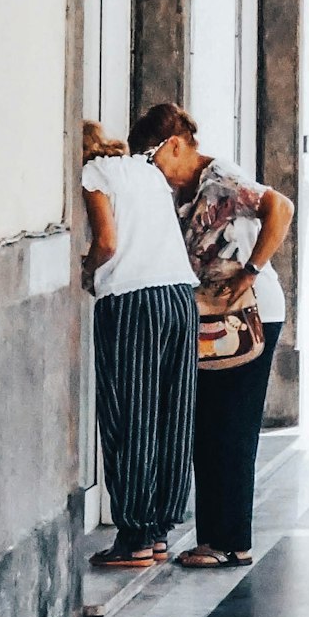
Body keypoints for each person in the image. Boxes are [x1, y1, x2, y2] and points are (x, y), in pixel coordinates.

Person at [127, 103, 294, 568]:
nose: (155, 172)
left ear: (176, 146)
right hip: (212, 316)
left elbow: (280, 206)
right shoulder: (182, 190)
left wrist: (252, 270)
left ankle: (231, 542)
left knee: (231, 428)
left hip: (249, 314)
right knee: (207, 425)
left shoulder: (220, 178)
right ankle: (213, 537)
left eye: (154, 160)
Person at [79, 119, 199, 568]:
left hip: (132, 300)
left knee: (129, 413)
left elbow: (107, 243)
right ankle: (157, 530)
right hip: (178, 297)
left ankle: (132, 538)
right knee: (170, 413)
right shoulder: (146, 172)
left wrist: (87, 269)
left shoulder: (93, 176)